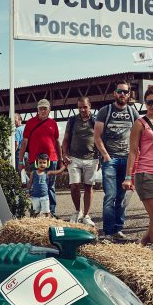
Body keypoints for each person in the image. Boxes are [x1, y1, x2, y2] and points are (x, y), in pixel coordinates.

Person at [123, 85, 153, 254]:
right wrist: (128, 177)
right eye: (150, 102)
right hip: (146, 174)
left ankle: (140, 245)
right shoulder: (139, 123)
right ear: (145, 103)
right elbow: (133, 151)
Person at [94, 80, 137, 241]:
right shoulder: (105, 111)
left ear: (129, 94)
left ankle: (118, 229)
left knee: (122, 196)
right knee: (110, 195)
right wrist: (105, 155)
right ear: (114, 93)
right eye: (120, 91)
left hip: (127, 160)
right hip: (110, 160)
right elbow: (97, 137)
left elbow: (140, 131)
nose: (122, 95)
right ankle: (107, 231)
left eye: (125, 92)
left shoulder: (132, 112)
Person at [17, 99, 63, 217]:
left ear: (49, 110)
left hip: (52, 159)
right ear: (37, 109)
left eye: (45, 108)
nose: (43, 111)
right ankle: (34, 213)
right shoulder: (30, 123)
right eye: (40, 108)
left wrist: (60, 159)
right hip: (35, 160)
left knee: (50, 187)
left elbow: (57, 142)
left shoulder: (53, 123)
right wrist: (20, 160)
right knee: (35, 186)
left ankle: (51, 213)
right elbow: (24, 143)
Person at [62, 96, 97, 226]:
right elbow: (66, 139)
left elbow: (100, 139)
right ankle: (77, 211)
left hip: (91, 158)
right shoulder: (72, 120)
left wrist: (100, 156)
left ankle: (87, 215)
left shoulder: (95, 120)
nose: (82, 109)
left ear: (90, 106)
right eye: (80, 107)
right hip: (74, 158)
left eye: (85, 107)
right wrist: (64, 154)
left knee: (89, 186)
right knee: (74, 185)